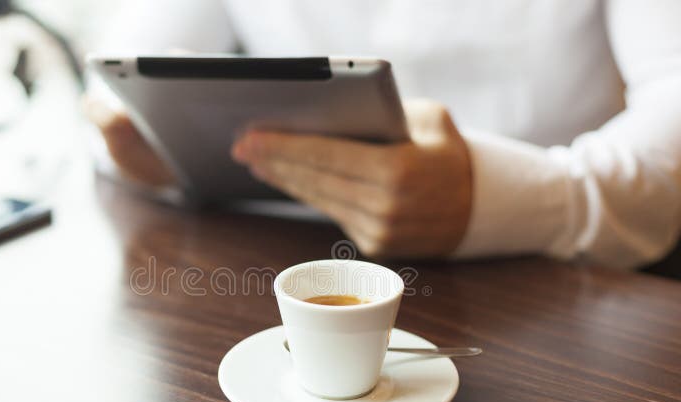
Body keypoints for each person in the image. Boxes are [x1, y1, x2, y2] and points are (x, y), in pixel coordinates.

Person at [85, 0, 681, 270]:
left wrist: (515, 199)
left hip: (564, 287)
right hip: (288, 278)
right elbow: (112, 78)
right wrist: (161, 147)